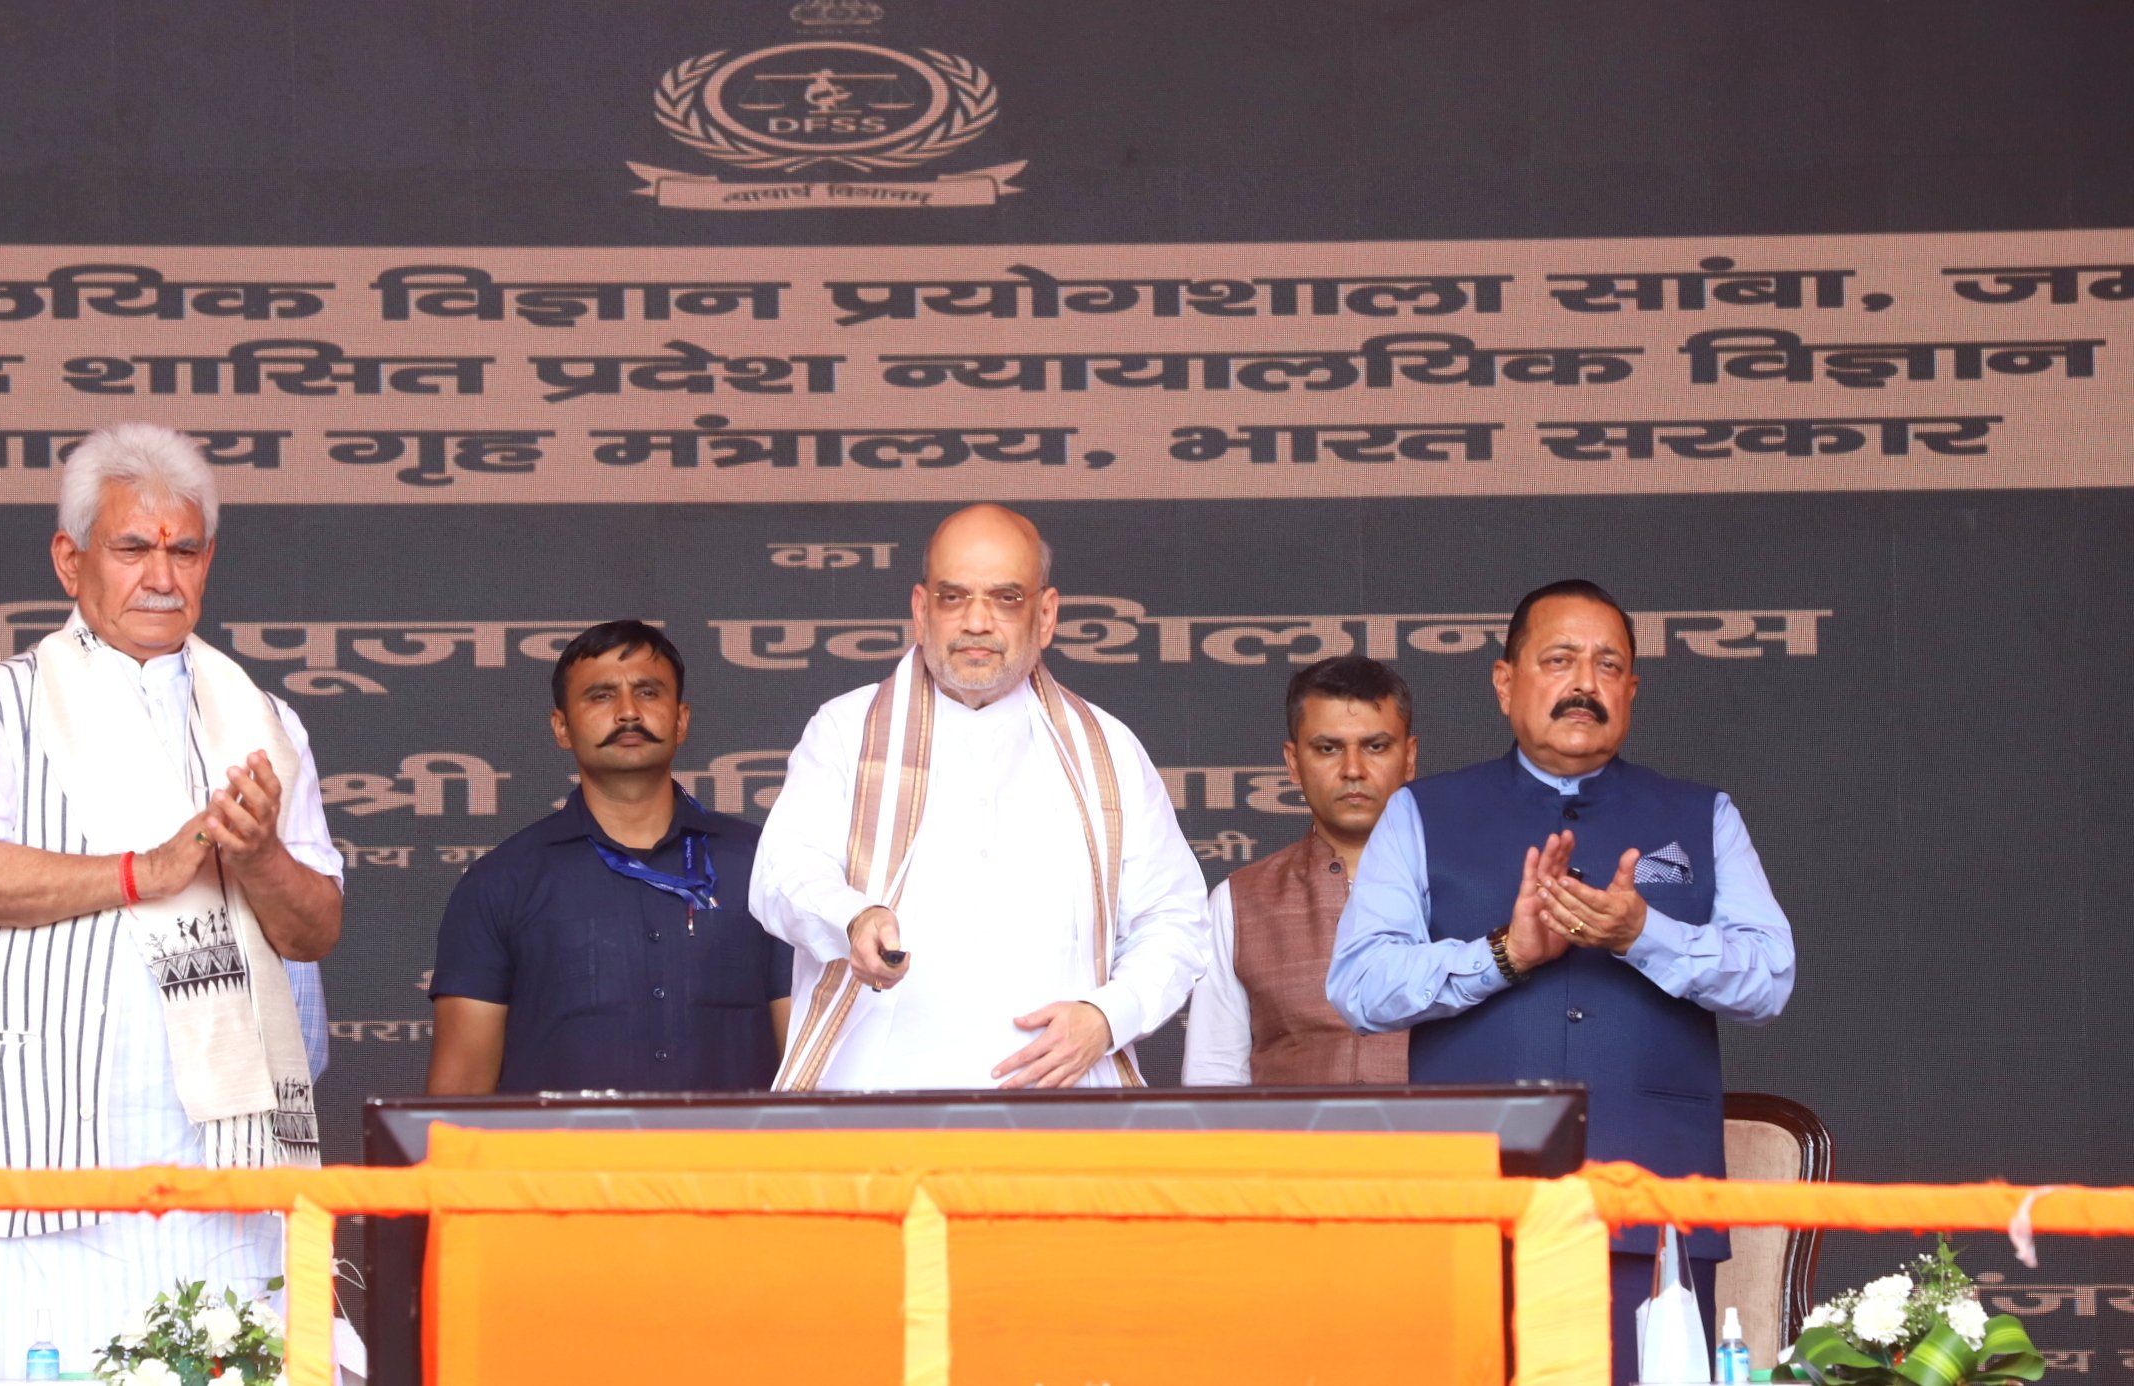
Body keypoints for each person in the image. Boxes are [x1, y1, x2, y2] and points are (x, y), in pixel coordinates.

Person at [0, 424, 343, 1378]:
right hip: (34, 1152)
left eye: (183, 550)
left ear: (208, 559)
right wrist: (142, 870)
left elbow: (314, 929)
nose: (162, 576)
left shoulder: (266, 724)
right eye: (132, 548)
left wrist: (257, 854)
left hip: (225, 1166)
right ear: (71, 561)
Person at [1326, 578, 1796, 1385]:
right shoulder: (1420, 813)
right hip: (1478, 1209)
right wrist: (1504, 954)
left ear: (1632, 691)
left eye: (1608, 665)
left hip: (1652, 1211)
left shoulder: (1703, 815)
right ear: (1506, 682)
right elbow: (1361, 986)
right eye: (1560, 659)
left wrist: (1645, 934)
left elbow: (1769, 979)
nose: (1585, 683)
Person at [751, 504, 1209, 1090]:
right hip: (877, 1105)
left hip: (1063, 1112)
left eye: (1005, 598)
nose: (976, 622)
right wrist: (852, 918)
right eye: (953, 597)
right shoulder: (846, 730)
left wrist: (1106, 1016)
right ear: (921, 611)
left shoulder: (1109, 750)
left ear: (1045, 615)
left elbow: (1174, 918)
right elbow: (781, 874)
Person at [427, 621, 790, 1093]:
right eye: (600, 696)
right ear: (561, 727)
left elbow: (811, 1070)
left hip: (736, 1165)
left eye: (648, 692)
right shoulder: (501, 882)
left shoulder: (766, 865)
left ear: (681, 719)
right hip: (559, 1167)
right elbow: (458, 1096)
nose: (627, 713)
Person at [1182, 657, 1414, 1086]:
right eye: (1328, 748)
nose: (1353, 770)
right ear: (1293, 763)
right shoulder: (1239, 902)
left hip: (1445, 1151)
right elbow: (1214, 1079)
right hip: (1288, 1153)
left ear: (1409, 757)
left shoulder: (1467, 889)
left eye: (1376, 746)